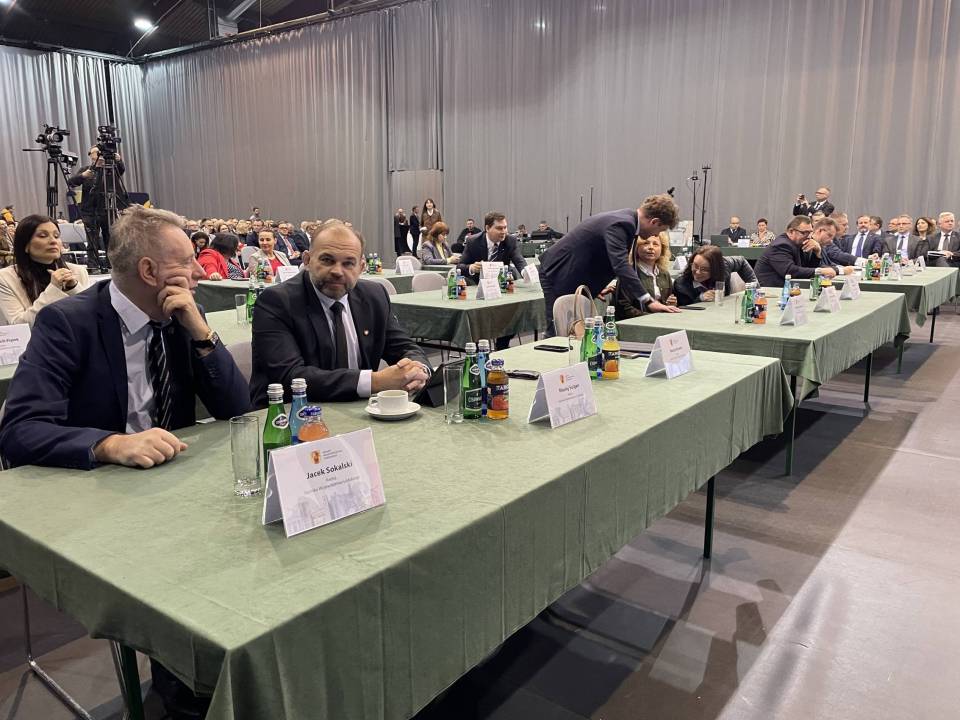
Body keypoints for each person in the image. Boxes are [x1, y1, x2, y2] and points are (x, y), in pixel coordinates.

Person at [0, 204, 249, 719]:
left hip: (177, 492)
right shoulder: (68, 323)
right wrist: (108, 444)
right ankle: (183, 692)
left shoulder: (179, 316)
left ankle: (206, 681)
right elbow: (19, 431)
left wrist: (200, 332)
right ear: (150, 271)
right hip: (102, 505)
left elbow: (236, 408)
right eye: (187, 261)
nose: (200, 271)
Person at [250, 220, 430, 406]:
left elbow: (404, 347)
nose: (337, 271)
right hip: (291, 413)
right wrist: (375, 382)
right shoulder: (276, 301)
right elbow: (290, 377)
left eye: (348, 263)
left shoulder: (374, 296)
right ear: (307, 260)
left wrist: (418, 370)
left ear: (361, 267)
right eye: (327, 260)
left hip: (361, 411)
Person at [539, 194, 680, 335]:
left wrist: (595, 285)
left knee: (577, 331)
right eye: (660, 230)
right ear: (655, 222)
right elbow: (621, 265)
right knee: (558, 331)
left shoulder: (628, 220)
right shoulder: (622, 224)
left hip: (573, 275)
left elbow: (600, 254)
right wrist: (648, 301)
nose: (656, 234)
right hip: (558, 273)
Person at [0, 214, 92, 327]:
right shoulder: (6, 278)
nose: (53, 241)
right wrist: (53, 289)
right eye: (43, 236)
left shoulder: (78, 271)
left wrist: (73, 288)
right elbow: (19, 326)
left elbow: (91, 317)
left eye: (56, 236)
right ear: (25, 245)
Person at [67, 146, 130, 274]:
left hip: (108, 209)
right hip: (89, 210)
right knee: (92, 239)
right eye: (96, 152)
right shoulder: (86, 170)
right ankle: (93, 266)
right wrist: (83, 176)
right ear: (91, 155)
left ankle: (111, 265)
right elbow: (71, 183)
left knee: (110, 238)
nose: (100, 155)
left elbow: (121, 169)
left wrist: (119, 160)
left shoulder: (111, 169)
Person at [612, 231, 681, 319]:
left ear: (662, 249)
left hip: (662, 320)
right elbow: (624, 308)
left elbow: (665, 303)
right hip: (636, 322)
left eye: (655, 244)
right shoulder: (629, 273)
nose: (651, 247)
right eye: (645, 243)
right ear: (636, 248)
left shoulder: (664, 274)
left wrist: (670, 304)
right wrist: (650, 318)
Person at [754, 215, 838, 286]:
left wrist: (817, 252)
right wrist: (820, 271)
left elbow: (807, 269)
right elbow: (790, 271)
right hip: (768, 291)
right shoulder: (781, 245)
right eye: (804, 233)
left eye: (810, 232)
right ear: (791, 231)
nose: (809, 236)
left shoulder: (799, 243)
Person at [672, 245, 757, 306]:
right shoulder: (681, 284)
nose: (697, 272)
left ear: (715, 269)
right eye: (695, 266)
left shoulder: (724, 265)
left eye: (704, 269)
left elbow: (741, 261)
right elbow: (683, 307)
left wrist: (755, 291)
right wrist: (701, 298)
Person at [456, 211, 526, 284]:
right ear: (487, 228)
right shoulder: (473, 241)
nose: (504, 232)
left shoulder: (510, 240)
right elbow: (459, 267)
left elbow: (519, 261)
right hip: (478, 283)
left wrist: (525, 273)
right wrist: (472, 268)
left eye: (505, 227)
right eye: (499, 228)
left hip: (501, 282)